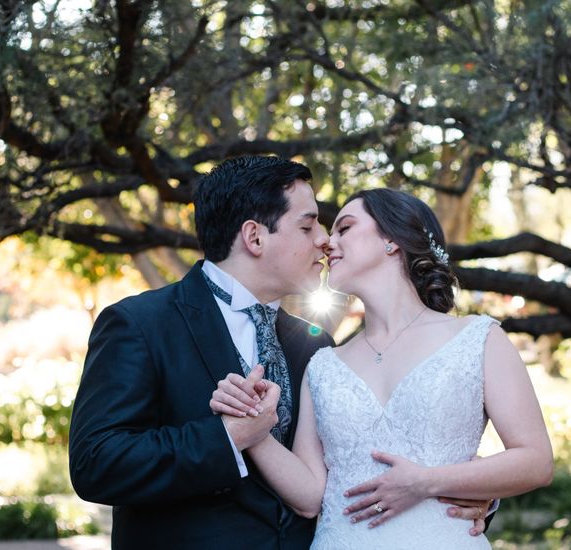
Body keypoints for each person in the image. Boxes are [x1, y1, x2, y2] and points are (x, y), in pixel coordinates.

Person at [68, 156, 491, 550]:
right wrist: (228, 438)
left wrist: (468, 494)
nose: (325, 242)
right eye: (309, 227)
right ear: (254, 236)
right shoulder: (141, 324)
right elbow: (96, 463)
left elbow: (366, 463)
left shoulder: (316, 345)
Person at [210, 188, 554, 549]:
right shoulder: (324, 364)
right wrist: (255, 427)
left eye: (344, 228)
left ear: (392, 240)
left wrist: (427, 482)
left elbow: (536, 461)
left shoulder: (478, 339)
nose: (327, 242)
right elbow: (310, 496)